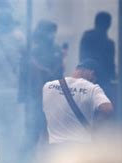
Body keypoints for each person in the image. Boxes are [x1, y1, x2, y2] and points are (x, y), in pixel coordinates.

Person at [42, 59, 113, 145]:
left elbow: (40, 115)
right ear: (92, 73)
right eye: (94, 79)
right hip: (79, 148)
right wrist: (94, 127)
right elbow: (107, 109)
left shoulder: (48, 86)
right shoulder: (92, 88)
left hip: (55, 148)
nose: (93, 81)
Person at [19, 20, 63, 151]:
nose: (52, 36)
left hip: (51, 96)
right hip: (36, 96)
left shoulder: (56, 49)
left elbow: (58, 74)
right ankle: (25, 162)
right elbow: (26, 76)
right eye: (50, 32)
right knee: (33, 133)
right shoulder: (33, 52)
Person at [79, 12, 115, 103]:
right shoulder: (109, 44)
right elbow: (110, 64)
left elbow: (82, 57)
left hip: (87, 77)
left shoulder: (87, 37)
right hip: (103, 81)